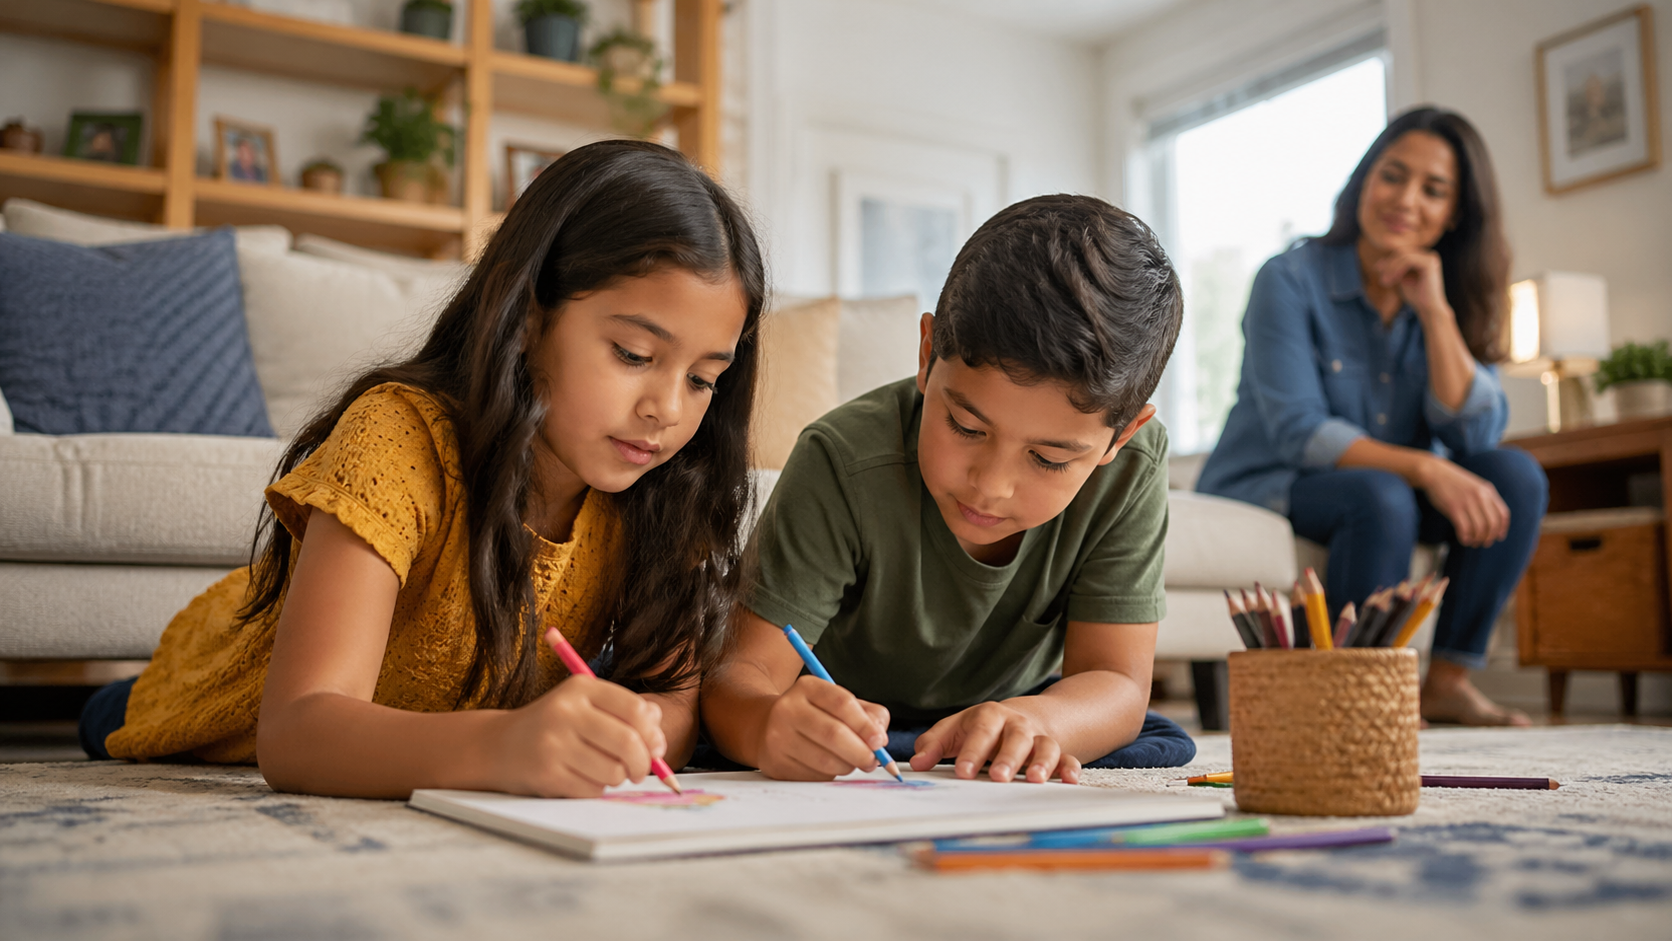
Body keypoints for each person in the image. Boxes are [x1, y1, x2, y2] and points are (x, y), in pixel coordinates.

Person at [77, 140, 767, 797]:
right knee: (111, 718)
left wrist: (642, 731)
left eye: (704, 378)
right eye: (634, 354)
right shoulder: (397, 437)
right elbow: (293, 733)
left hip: (455, 709)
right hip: (216, 695)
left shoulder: (673, 489)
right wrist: (503, 747)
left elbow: (673, 706)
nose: (667, 409)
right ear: (528, 319)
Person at [701, 195, 1193, 784]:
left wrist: (1037, 719)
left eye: (1049, 458)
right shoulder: (841, 459)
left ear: (1122, 435)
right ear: (927, 355)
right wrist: (768, 726)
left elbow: (1117, 685)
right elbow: (734, 682)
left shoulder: (1132, 466)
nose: (990, 485)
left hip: (1015, 700)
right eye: (965, 426)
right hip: (845, 718)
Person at [1196, 107, 1547, 726]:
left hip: (1388, 486)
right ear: (1364, 181)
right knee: (1381, 496)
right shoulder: (1288, 278)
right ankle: (1351, 696)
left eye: (1433, 190)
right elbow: (1300, 432)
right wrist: (1426, 470)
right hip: (1276, 482)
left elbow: (1476, 434)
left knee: (1515, 478)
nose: (1406, 199)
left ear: (1454, 215)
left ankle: (1446, 681)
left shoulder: (1448, 294)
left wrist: (1435, 313)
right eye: (1393, 176)